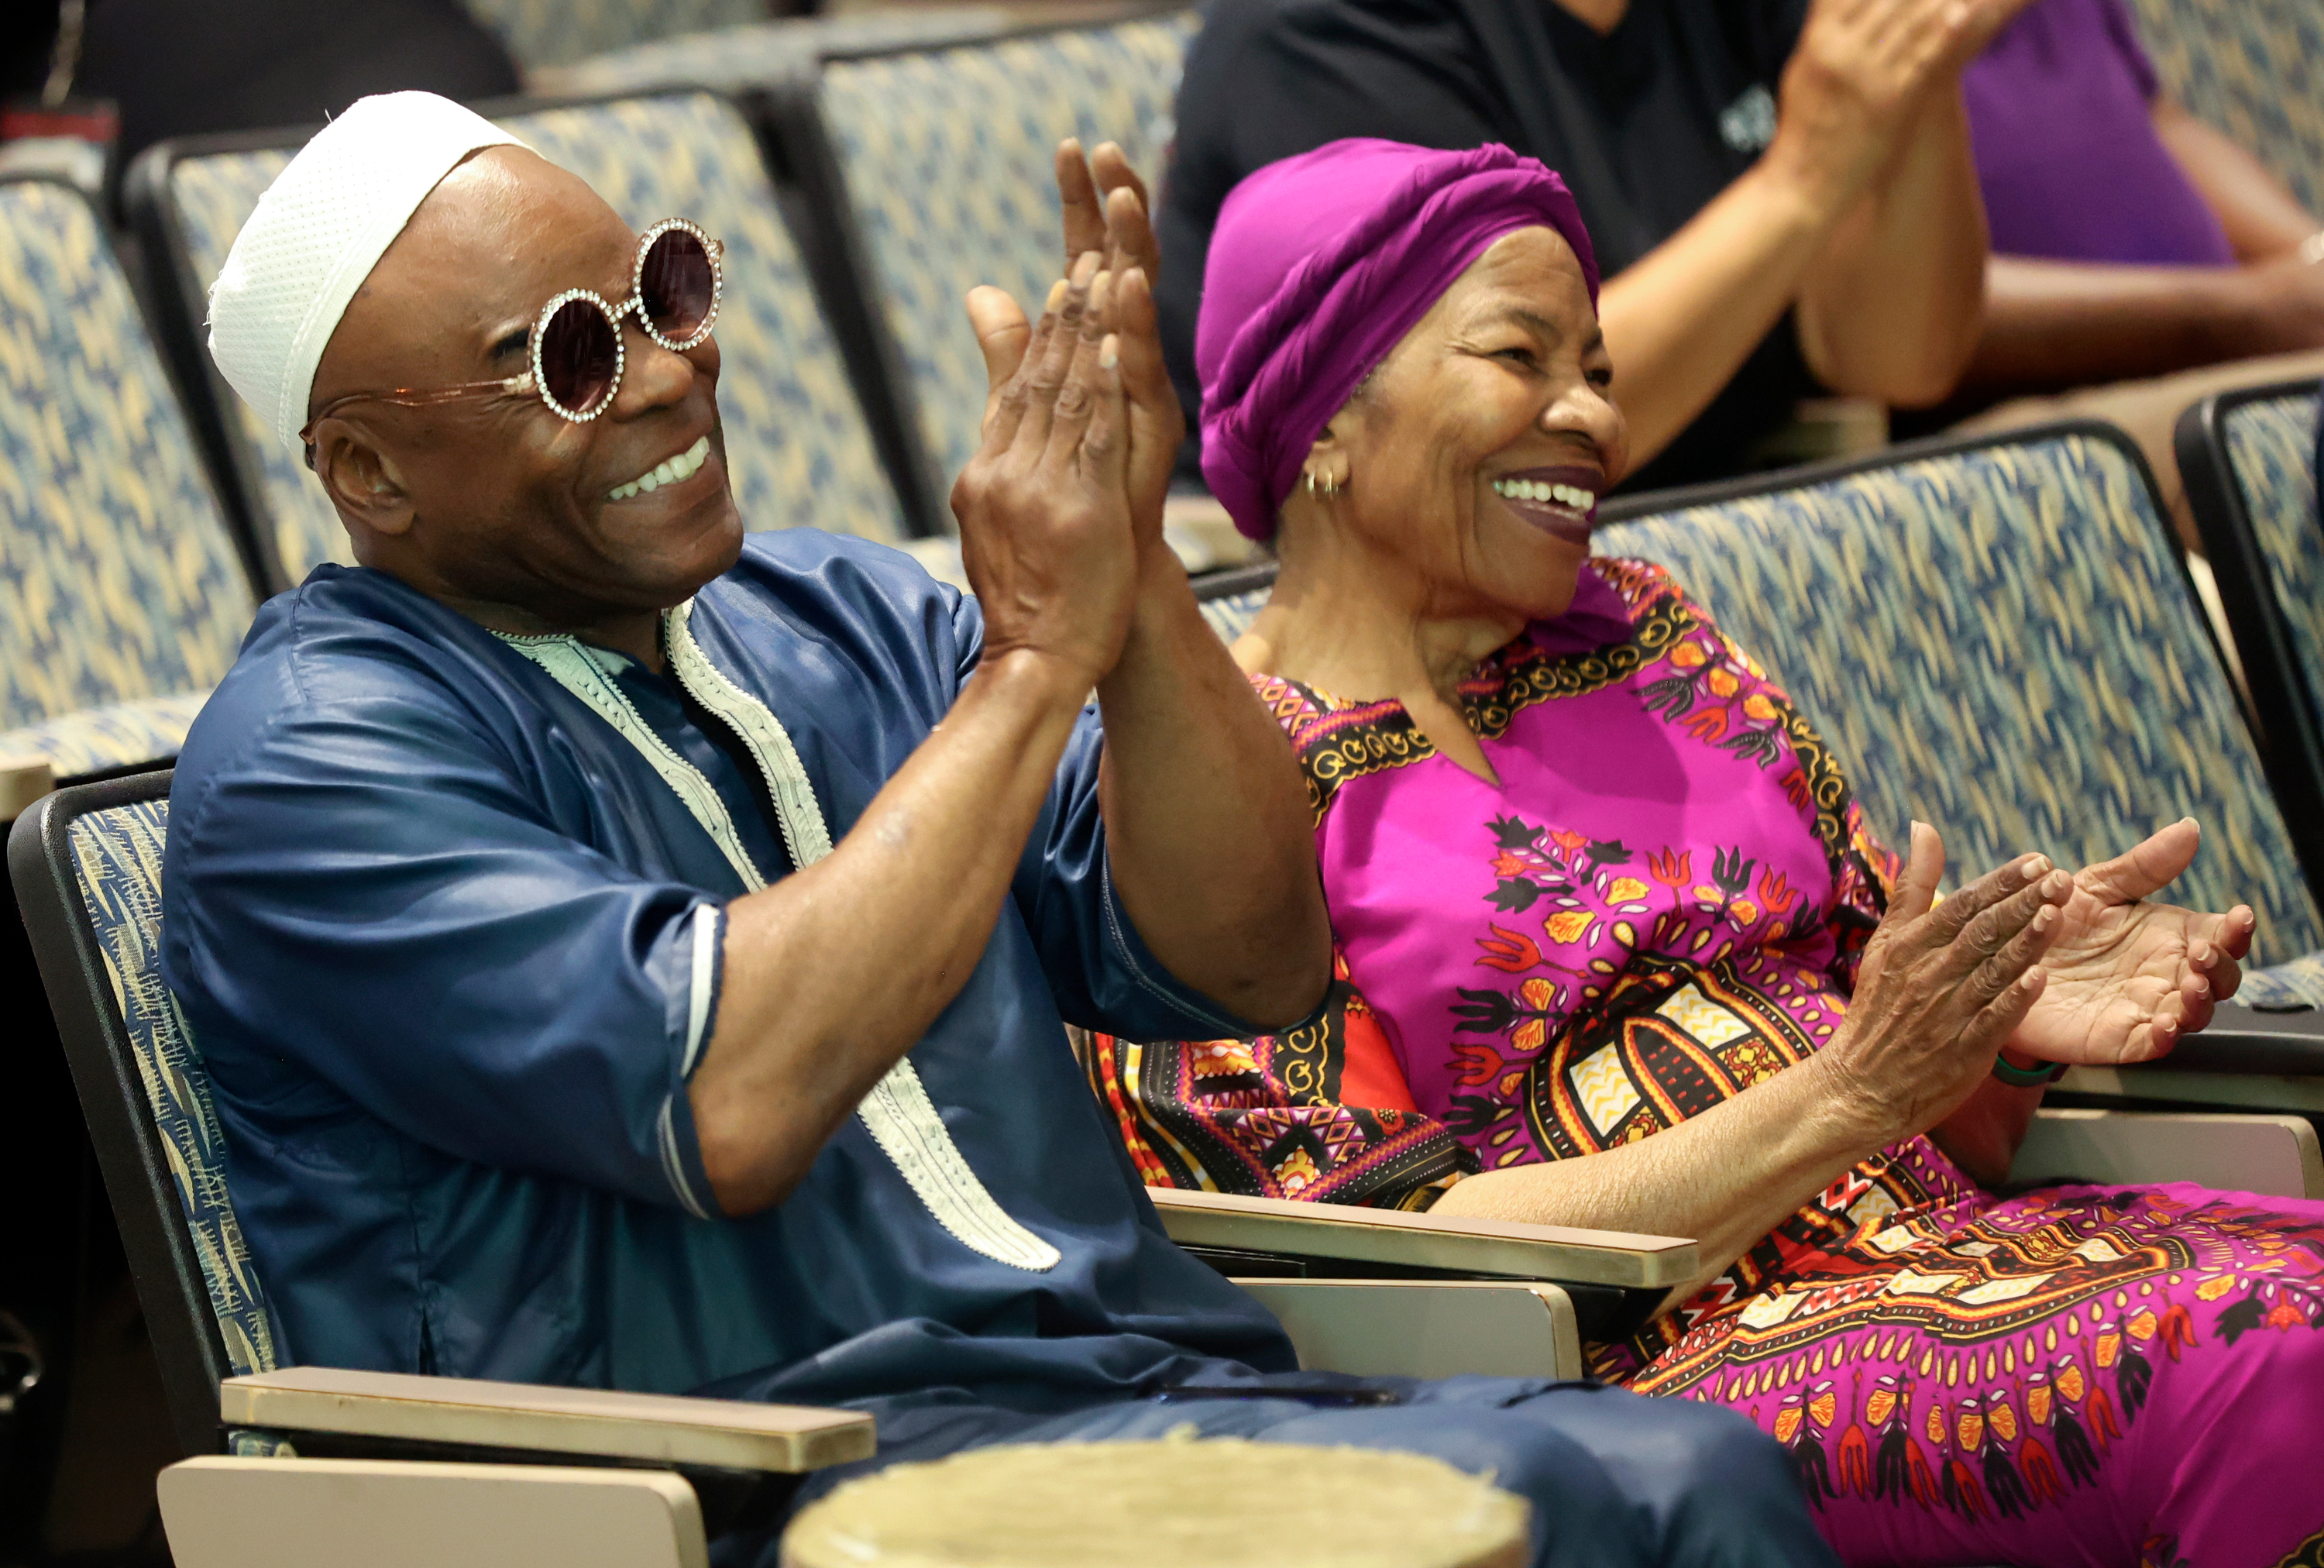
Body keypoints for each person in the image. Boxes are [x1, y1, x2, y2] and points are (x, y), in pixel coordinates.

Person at [160, 91, 1856, 1565]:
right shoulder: (316, 768)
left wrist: (1134, 594)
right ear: (369, 475)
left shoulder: (830, 617)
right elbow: (735, 1096)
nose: (670, 381)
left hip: (1145, 1394)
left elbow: (1250, 954)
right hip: (766, 1498)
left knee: (1689, 1471)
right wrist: (1040, 658)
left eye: (662, 296)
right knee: (1609, 1505)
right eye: (571, 360)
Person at [1088, 137, 2324, 1563]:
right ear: (1324, 418)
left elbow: (1940, 1110)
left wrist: (2005, 1025)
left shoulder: (1660, 643)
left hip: (1962, 1244)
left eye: (1600, 372)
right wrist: (1855, 1086)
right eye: (1520, 354)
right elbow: (1363, 1250)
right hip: (1647, 1372)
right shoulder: (1209, 796)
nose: (1592, 418)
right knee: (2277, 1359)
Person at [1157, 0, 2037, 495]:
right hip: (1421, 603)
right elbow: (1493, 429)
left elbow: (1899, 360)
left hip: (1734, 518)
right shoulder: (1320, 32)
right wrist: (1802, 180)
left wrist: (1920, 64)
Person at [1939, 0, 2324, 544]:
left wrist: (2311, 257)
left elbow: (2156, 120)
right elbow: (1888, 319)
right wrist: (2247, 313)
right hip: (2028, 416)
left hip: (2226, 349)